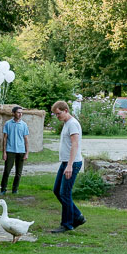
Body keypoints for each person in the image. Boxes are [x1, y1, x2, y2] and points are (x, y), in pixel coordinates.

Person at [51, 100, 85, 233]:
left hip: (72, 163)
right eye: (55, 114)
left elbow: (75, 144)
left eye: (58, 113)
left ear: (65, 110)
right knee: (57, 191)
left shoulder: (72, 124)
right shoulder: (66, 123)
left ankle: (67, 224)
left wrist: (70, 165)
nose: (57, 116)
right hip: (65, 162)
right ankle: (78, 216)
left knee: (65, 193)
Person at [0, 106, 29, 195]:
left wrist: (27, 152)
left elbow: (26, 139)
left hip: (21, 151)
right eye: (18, 112)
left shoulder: (24, 125)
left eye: (21, 112)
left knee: (18, 173)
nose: (20, 114)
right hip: (10, 150)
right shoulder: (8, 124)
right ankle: (3, 189)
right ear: (13, 113)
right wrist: (4, 152)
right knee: (7, 171)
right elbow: (5, 138)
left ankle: (15, 190)